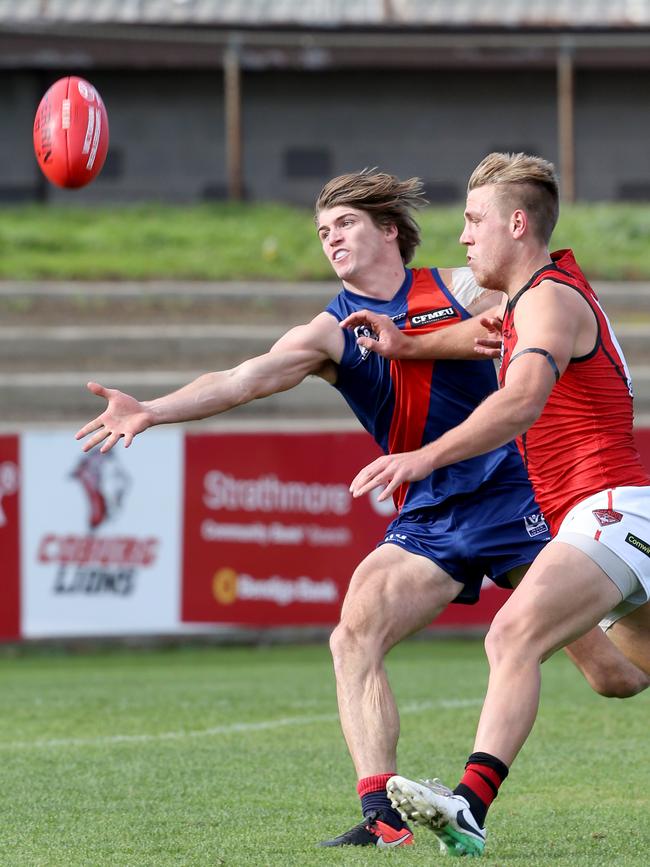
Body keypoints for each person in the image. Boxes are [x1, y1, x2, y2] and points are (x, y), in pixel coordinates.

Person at [75, 168, 646, 850]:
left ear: (388, 230)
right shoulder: (330, 332)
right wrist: (152, 409)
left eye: (343, 223)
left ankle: (467, 799)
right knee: (354, 631)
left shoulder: (464, 287)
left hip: (521, 497)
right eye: (321, 231)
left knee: (615, 676)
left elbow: (513, 341)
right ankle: (385, 816)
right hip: (432, 512)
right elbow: (240, 379)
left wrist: (414, 349)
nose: (330, 238)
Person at [346, 153, 650, 856]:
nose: (463, 236)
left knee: (510, 636)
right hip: (608, 515)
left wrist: (425, 455)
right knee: (617, 676)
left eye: (474, 220)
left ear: (518, 223)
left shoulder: (547, 298)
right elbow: (484, 336)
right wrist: (405, 344)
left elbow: (520, 397)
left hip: (610, 508)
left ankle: (468, 804)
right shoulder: (529, 303)